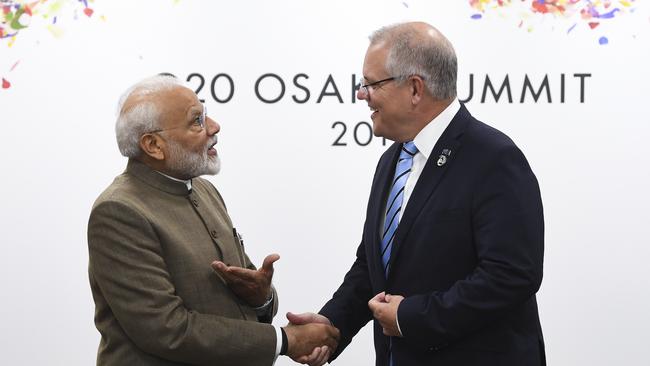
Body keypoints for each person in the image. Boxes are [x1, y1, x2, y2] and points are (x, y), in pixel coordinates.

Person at [288, 22, 546, 366]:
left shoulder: (494, 158)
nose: (361, 94)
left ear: (414, 88)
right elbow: (374, 267)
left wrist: (411, 316)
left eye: (371, 84)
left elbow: (511, 276)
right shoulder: (391, 160)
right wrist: (332, 325)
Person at [87, 74, 338, 366]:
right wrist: (285, 340)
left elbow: (241, 294)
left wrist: (262, 298)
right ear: (154, 145)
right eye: (197, 120)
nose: (214, 126)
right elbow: (167, 329)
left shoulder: (203, 189)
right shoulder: (119, 211)